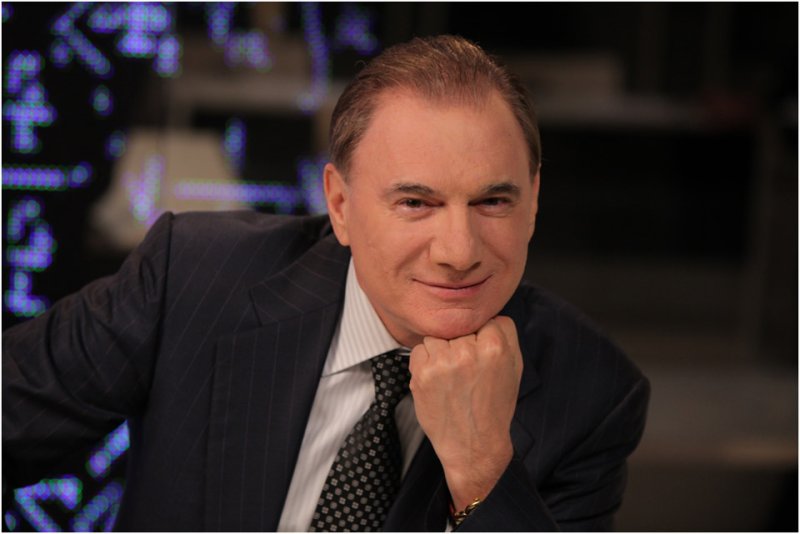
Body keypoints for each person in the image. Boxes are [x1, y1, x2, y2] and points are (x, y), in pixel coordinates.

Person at [3, 35, 649, 531]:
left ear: (533, 201)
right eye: (416, 203)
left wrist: (481, 471)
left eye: (493, 202)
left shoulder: (591, 393)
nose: (459, 252)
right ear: (339, 204)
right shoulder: (192, 280)